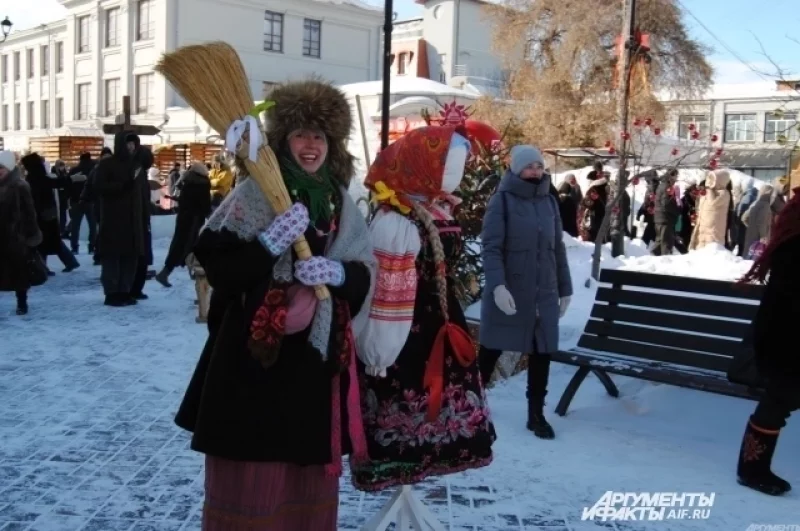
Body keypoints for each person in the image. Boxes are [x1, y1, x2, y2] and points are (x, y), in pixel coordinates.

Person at [174, 79, 376, 530]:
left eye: (319, 136)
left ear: (333, 143)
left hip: (312, 368)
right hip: (254, 366)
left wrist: (338, 274)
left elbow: (365, 270)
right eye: (301, 134)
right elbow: (216, 265)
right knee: (255, 479)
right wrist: (268, 244)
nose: (310, 145)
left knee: (303, 481)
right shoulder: (256, 194)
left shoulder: (342, 202)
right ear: (283, 140)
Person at [352, 125, 495, 491]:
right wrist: (378, 353)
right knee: (406, 404)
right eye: (450, 163)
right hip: (405, 335)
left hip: (442, 325)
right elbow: (386, 295)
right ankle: (396, 470)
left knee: (444, 409)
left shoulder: (436, 207)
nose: (457, 173)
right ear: (424, 163)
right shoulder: (396, 221)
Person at [478, 145, 573, 439]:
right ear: (517, 168)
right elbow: (491, 248)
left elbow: (557, 248)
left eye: (539, 166)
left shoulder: (549, 202)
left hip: (543, 291)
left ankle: (536, 415)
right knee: (491, 350)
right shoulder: (502, 201)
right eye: (530, 166)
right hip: (509, 290)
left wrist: (565, 288)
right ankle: (471, 410)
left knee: (541, 350)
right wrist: (497, 287)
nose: (536, 171)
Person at [737, 187, 800, 496]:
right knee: (781, 396)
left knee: (782, 396)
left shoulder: (794, 221)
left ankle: (751, 468)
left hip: (781, 334)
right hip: (785, 338)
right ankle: (752, 469)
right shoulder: (796, 236)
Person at [94, 132, 145, 307]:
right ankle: (112, 293)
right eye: (128, 143)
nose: (131, 147)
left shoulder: (136, 165)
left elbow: (140, 193)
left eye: (133, 144)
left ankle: (124, 291)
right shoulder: (107, 164)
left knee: (130, 257)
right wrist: (121, 186)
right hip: (114, 219)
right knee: (112, 259)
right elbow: (99, 186)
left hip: (133, 219)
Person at [20, 153, 79, 274]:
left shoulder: (33, 178)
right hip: (47, 214)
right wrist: (71, 179)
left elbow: (53, 183)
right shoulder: (39, 176)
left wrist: (70, 179)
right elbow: (55, 183)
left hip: (40, 215)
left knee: (43, 243)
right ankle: (67, 263)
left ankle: (45, 268)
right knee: (52, 242)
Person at [155, 161, 212, 287]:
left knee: (179, 245)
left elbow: (182, 199)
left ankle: (166, 273)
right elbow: (205, 204)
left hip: (183, 219)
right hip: (195, 220)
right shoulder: (203, 183)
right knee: (194, 248)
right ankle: (201, 282)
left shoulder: (187, 181)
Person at [0, 151, 43, 315]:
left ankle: (22, 303)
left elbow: (29, 213)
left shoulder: (19, 186)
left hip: (16, 237)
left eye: (1, 168)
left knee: (19, 272)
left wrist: (31, 235)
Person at [129, 146, 154, 301]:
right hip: (139, 221)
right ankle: (135, 289)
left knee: (140, 255)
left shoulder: (138, 172)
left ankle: (136, 288)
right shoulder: (139, 173)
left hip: (139, 219)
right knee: (140, 256)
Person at [83, 147, 113, 266]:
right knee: (103, 231)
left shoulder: (99, 169)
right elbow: (89, 185)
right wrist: (85, 198)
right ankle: (99, 254)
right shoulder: (97, 169)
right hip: (100, 204)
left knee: (105, 231)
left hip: (108, 205)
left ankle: (102, 254)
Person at [689, 169, 731, 250]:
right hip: (702, 225)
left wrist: (709, 190)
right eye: (710, 179)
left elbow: (713, 203)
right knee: (699, 250)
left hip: (714, 229)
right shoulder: (707, 193)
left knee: (711, 250)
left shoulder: (724, 193)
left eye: (713, 179)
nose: (710, 182)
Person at [67, 152, 97, 254]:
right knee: (92, 225)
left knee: (75, 226)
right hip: (90, 201)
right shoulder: (93, 171)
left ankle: (74, 247)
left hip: (76, 201)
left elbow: (69, 186)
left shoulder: (74, 170)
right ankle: (91, 247)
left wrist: (70, 200)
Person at [653, 169, 681, 256]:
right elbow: (666, 203)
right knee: (666, 244)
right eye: (675, 176)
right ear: (670, 176)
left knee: (659, 242)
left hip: (659, 218)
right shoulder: (667, 187)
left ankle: (653, 261)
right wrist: (677, 210)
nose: (676, 178)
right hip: (665, 218)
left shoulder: (662, 185)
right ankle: (665, 263)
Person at [578, 163, 609, 242]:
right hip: (596, 213)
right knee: (597, 232)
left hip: (597, 213)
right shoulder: (596, 185)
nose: (600, 173)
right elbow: (587, 202)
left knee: (597, 232)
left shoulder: (601, 186)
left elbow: (587, 202)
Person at [741, 184, 775, 256]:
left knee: (749, 257)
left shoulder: (755, 203)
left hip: (751, 236)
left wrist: (751, 227)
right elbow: (761, 222)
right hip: (760, 239)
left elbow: (744, 218)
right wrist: (763, 236)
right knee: (756, 258)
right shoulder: (765, 205)